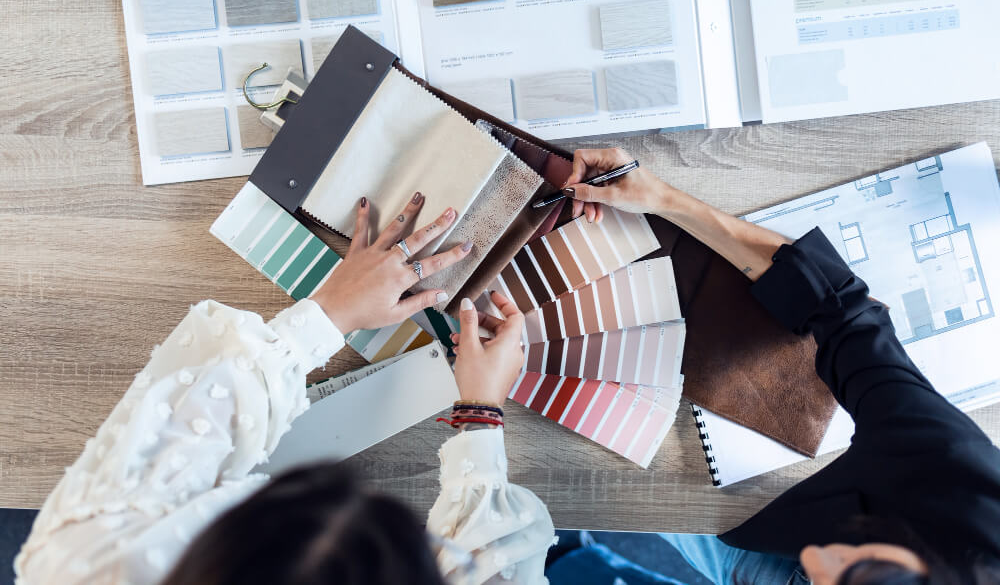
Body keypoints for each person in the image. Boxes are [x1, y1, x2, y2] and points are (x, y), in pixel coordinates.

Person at [14, 193, 555, 585]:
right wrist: (480, 413)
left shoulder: (85, 562)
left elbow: (192, 410)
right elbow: (498, 566)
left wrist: (330, 312)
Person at [557, 148, 1000, 585]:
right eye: (854, 566)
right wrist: (662, 199)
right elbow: (841, 308)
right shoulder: (954, 476)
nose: (823, 567)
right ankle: (572, 562)